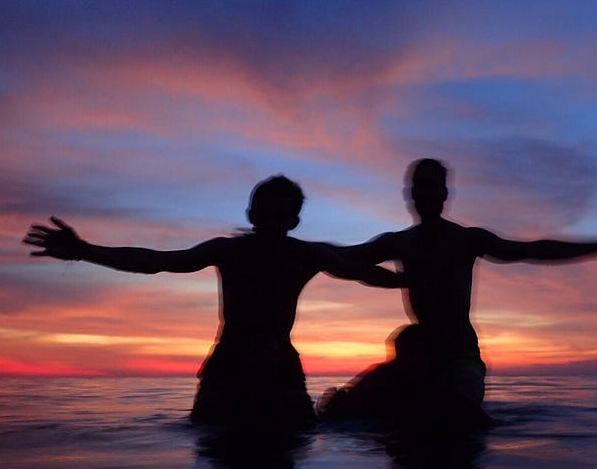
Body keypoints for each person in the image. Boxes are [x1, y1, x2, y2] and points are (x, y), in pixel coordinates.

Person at [23, 175, 404, 427]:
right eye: (265, 213)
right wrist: (84, 251)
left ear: (293, 222)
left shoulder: (306, 255)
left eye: (280, 215)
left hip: (279, 359)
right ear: (251, 215)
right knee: (214, 438)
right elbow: (157, 262)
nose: (271, 221)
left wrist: (410, 281)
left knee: (293, 438)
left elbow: (360, 270)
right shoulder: (229, 251)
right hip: (231, 359)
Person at [320, 158, 597, 424]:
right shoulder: (399, 242)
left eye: (431, 185)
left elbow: (532, 250)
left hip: (460, 357)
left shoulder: (466, 240)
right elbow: (342, 257)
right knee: (337, 412)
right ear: (410, 194)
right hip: (418, 358)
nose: (424, 192)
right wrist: (281, 242)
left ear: (444, 194)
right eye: (417, 186)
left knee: (452, 416)